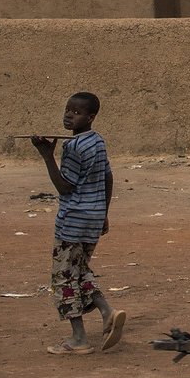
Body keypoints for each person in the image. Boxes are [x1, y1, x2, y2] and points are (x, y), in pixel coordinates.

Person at [32, 92, 123, 355]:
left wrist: (47, 156)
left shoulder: (73, 147)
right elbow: (108, 178)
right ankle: (107, 311)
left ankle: (79, 338)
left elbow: (65, 187)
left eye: (77, 112)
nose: (69, 115)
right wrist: (103, 213)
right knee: (79, 269)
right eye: (68, 110)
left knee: (63, 279)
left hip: (72, 222)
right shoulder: (98, 141)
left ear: (91, 117)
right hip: (92, 220)